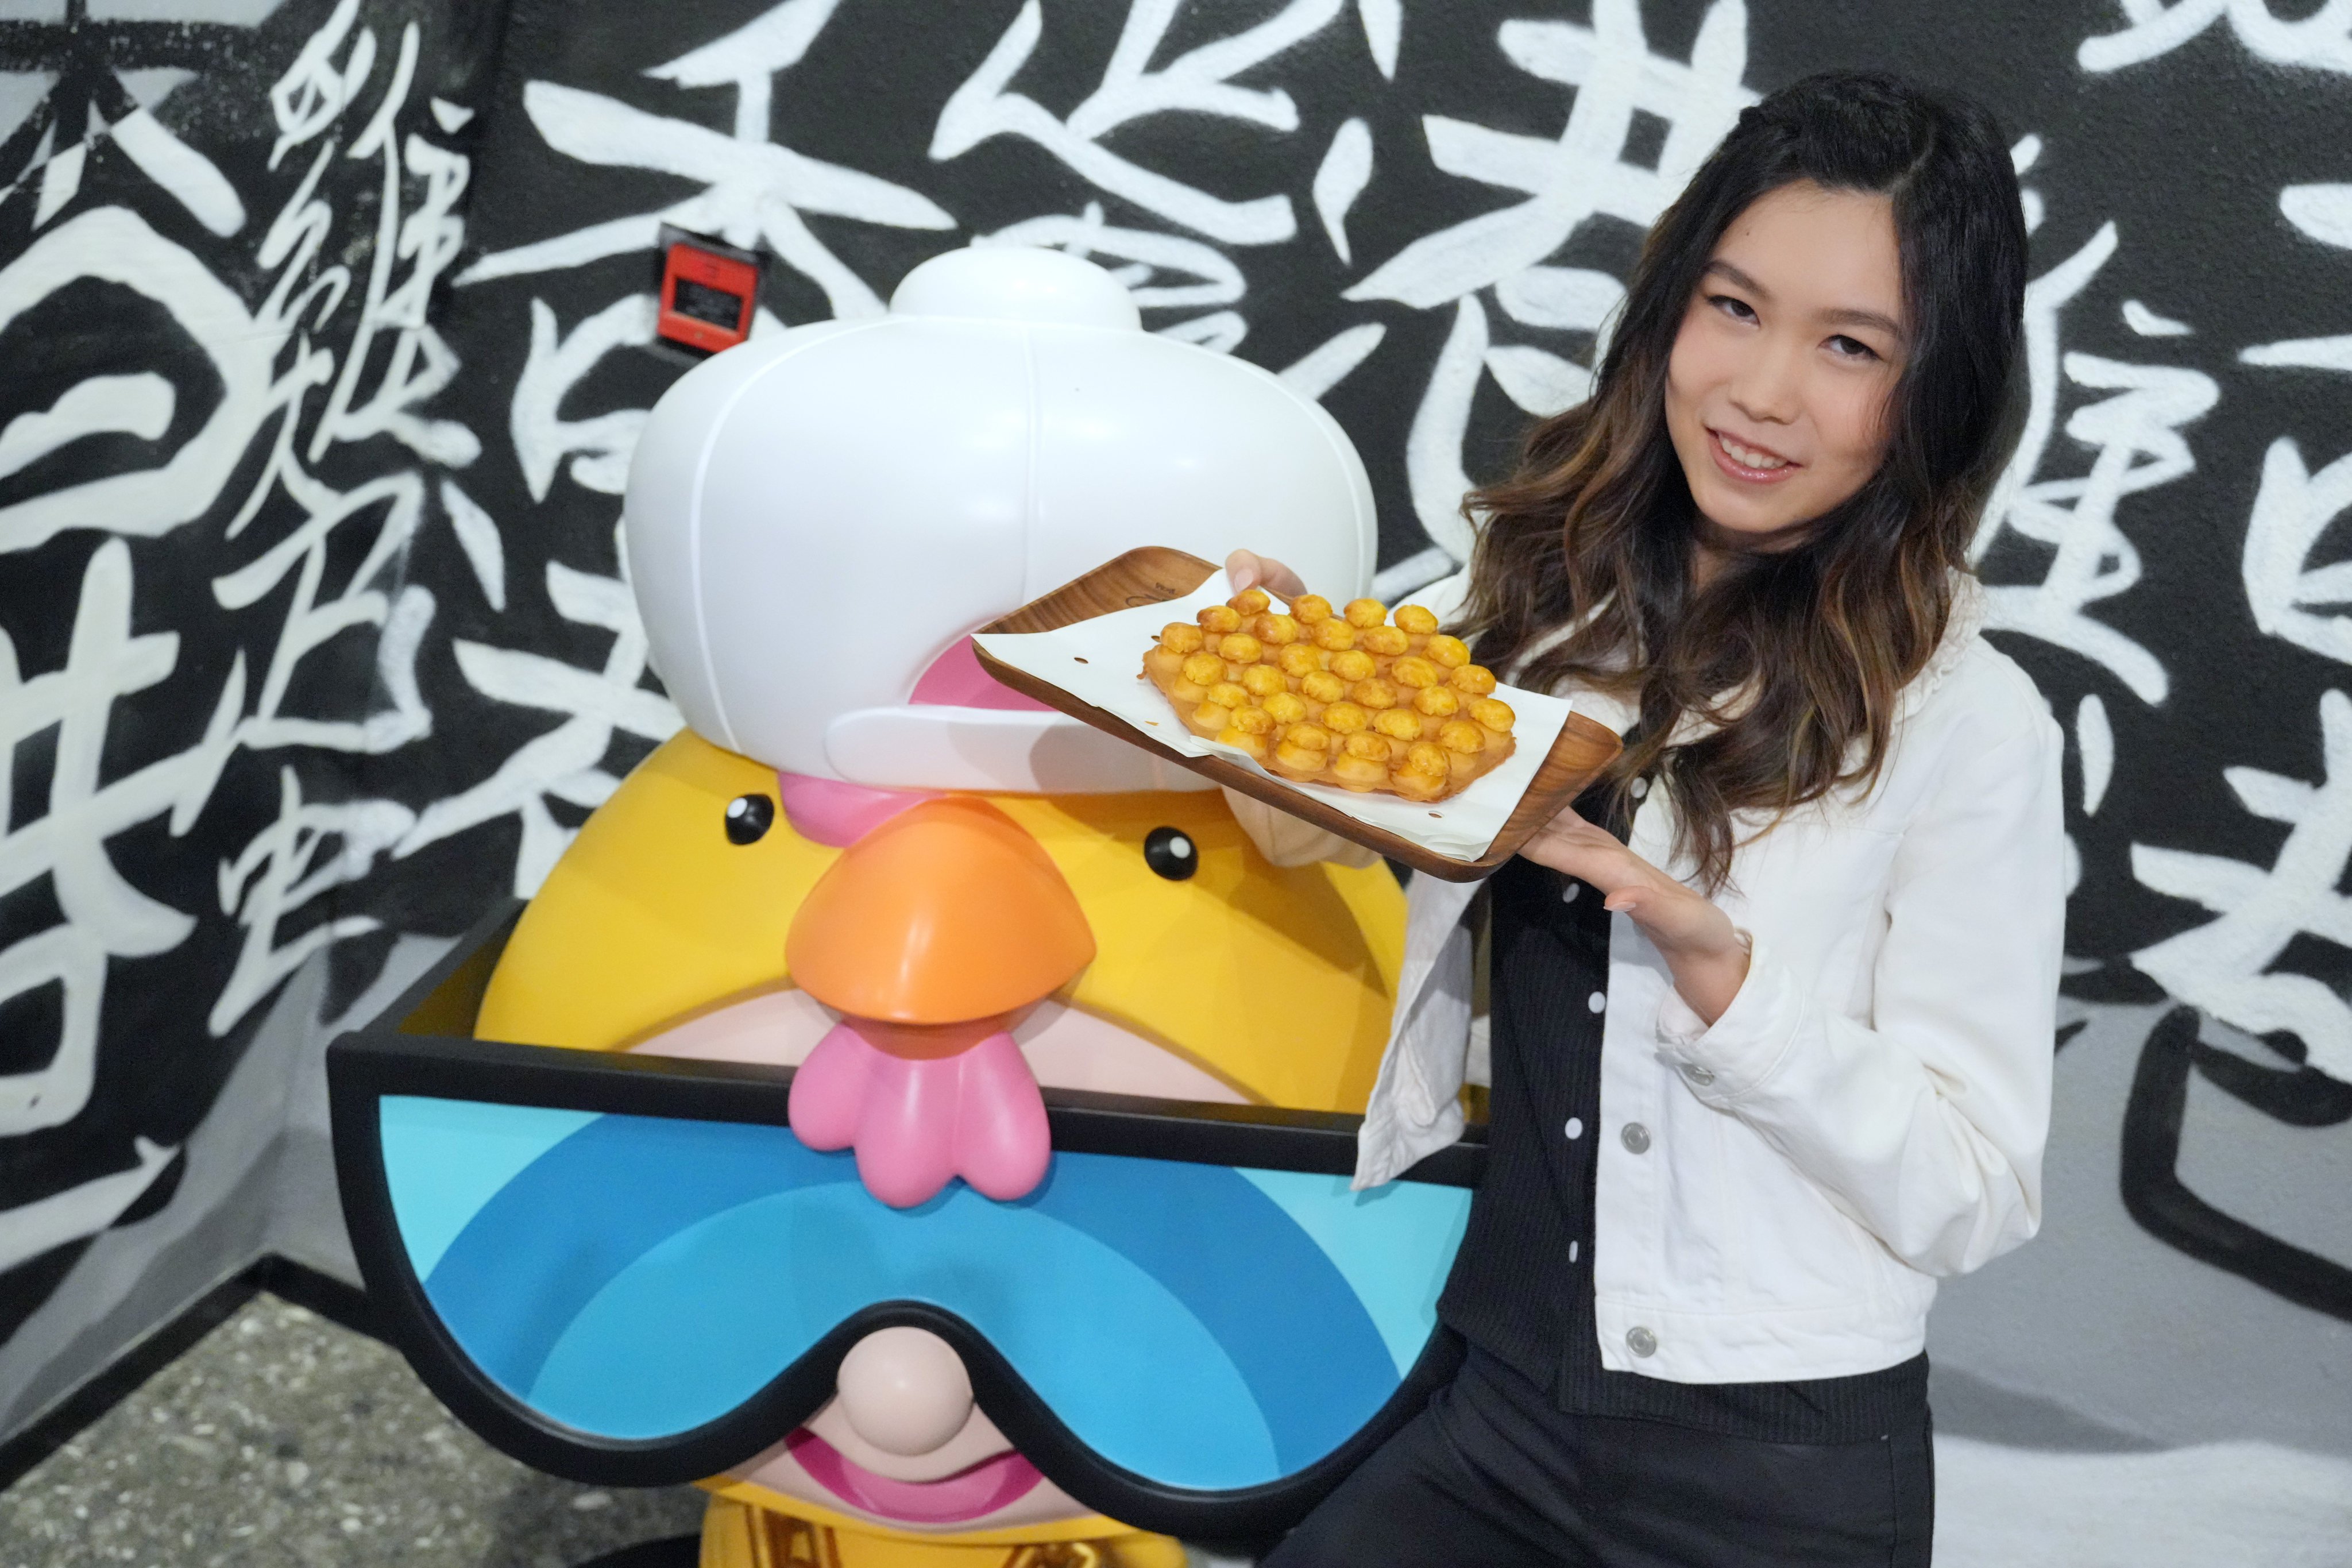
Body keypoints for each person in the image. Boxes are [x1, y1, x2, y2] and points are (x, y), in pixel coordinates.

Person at [1226, 71, 2062, 1567]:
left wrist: (1728, 982)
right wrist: (1277, 699)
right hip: (1497, 1396)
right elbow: (1314, 841)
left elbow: (1974, 1190)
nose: (1761, 391)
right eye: (1734, 308)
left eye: (1850, 346)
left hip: (1777, 1472)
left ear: (1935, 392)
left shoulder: (1967, 721)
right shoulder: (1538, 608)